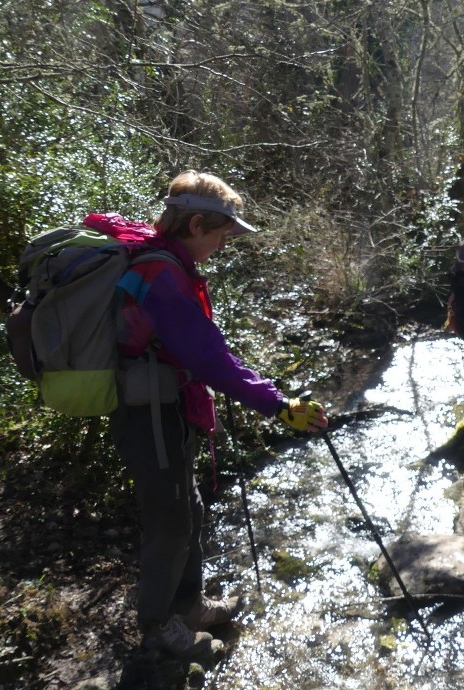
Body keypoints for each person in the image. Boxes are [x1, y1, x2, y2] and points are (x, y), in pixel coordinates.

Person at [87, 170, 327, 659]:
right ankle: (159, 629)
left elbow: (203, 352)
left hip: (164, 406)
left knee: (187, 509)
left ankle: (189, 606)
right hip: (148, 413)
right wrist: (277, 405)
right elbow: (210, 360)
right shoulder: (163, 275)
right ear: (196, 224)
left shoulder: (165, 263)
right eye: (221, 234)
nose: (223, 244)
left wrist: (267, 396)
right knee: (169, 522)